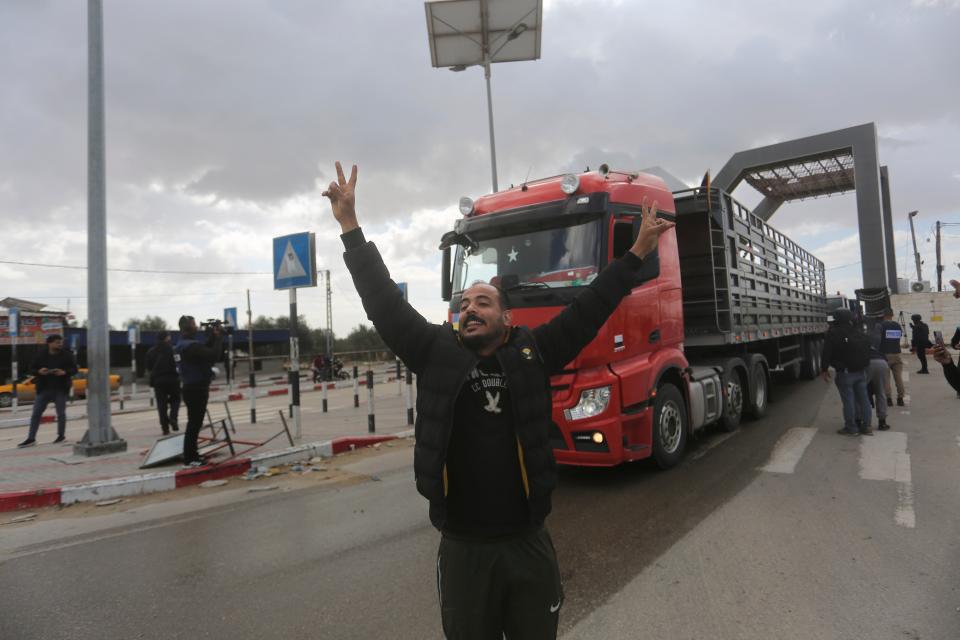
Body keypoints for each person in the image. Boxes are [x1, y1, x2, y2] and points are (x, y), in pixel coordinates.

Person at [323, 161, 673, 639]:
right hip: (464, 548)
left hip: (526, 543)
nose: (470, 309)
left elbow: (591, 307)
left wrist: (634, 254)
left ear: (507, 319)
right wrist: (350, 227)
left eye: (483, 302)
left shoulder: (532, 352)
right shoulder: (434, 352)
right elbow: (382, 301)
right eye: (464, 304)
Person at [175, 316, 223, 466]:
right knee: (194, 424)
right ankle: (191, 458)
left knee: (194, 423)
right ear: (189, 328)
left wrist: (211, 338)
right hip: (196, 388)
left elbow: (202, 352)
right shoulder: (191, 346)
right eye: (194, 325)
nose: (197, 327)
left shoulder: (182, 345)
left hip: (190, 387)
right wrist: (218, 338)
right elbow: (213, 355)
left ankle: (192, 455)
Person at [18, 334, 78, 447]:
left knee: (61, 414)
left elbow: (75, 369)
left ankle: (61, 436)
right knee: (36, 413)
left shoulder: (67, 355)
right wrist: (39, 371)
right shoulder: (40, 355)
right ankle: (31, 438)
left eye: (61, 342)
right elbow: (31, 369)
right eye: (57, 342)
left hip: (60, 388)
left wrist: (64, 372)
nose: (60, 344)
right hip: (43, 388)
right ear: (49, 343)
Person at [821, 309, 873, 436]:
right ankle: (866, 427)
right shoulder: (858, 331)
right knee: (864, 400)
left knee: (848, 401)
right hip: (861, 371)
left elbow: (826, 352)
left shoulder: (833, 333)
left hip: (845, 373)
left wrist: (824, 369)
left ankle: (851, 428)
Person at [145, 330, 181, 436]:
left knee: (161, 404)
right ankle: (173, 418)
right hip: (172, 379)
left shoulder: (151, 351)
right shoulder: (173, 350)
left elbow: (148, 367)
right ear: (167, 338)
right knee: (176, 399)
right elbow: (178, 363)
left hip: (158, 381)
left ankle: (165, 428)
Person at [875, 309, 906, 406]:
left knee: (886, 379)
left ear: (883, 315)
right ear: (892, 315)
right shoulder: (897, 325)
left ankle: (888, 399)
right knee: (899, 378)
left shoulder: (880, 325)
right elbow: (899, 337)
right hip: (897, 354)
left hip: (885, 355)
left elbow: (877, 340)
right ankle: (900, 398)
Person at [866, 341, 892, 431]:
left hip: (868, 363)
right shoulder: (876, 349)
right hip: (882, 363)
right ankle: (882, 422)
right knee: (880, 392)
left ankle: (865, 422)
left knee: (862, 393)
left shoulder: (859, 346)